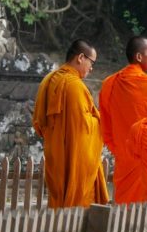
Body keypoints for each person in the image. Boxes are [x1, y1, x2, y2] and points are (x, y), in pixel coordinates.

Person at [33, 39, 109, 208]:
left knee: (58, 206)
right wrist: (100, 120)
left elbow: (38, 123)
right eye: (92, 62)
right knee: (76, 213)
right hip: (73, 161)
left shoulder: (47, 80)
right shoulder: (74, 86)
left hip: (55, 157)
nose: (92, 67)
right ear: (81, 57)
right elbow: (84, 129)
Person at [99, 36, 147, 203]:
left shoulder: (110, 83)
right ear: (139, 57)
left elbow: (105, 120)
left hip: (123, 153)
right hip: (145, 154)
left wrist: (116, 146)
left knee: (124, 201)